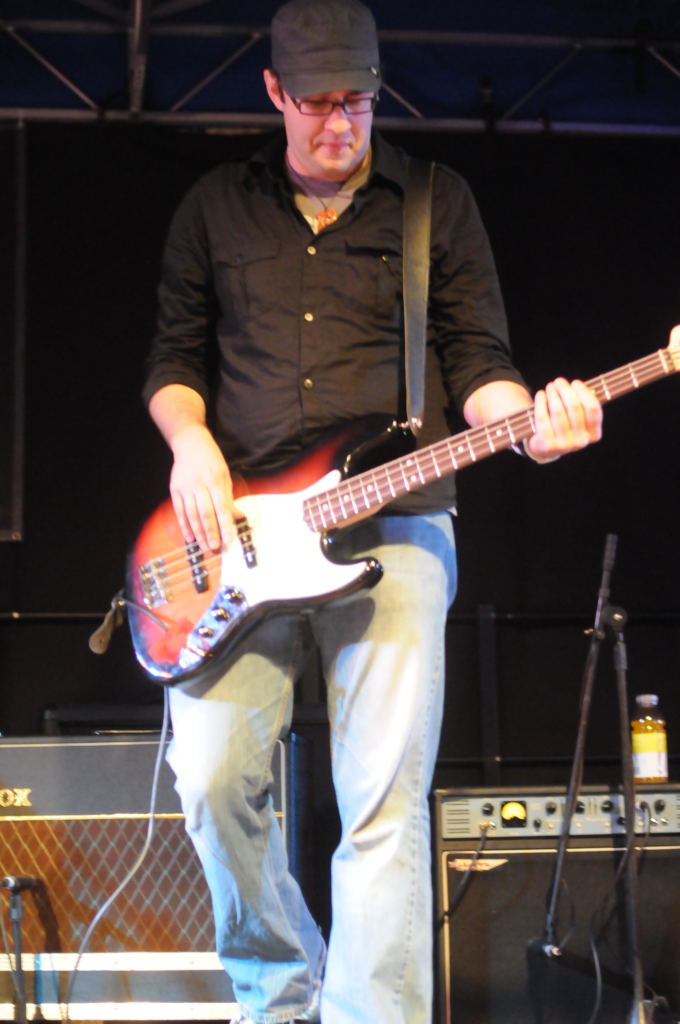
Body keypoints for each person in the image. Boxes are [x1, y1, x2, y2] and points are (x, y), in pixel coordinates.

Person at [142, 2, 604, 1021]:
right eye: (316, 103)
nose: (338, 124)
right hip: (245, 538)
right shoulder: (216, 206)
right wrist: (191, 443)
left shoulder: (436, 201)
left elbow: (479, 365)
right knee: (211, 779)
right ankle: (281, 994)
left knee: (384, 806)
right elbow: (173, 360)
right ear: (274, 93)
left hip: (397, 522)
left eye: (355, 101)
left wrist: (528, 425)